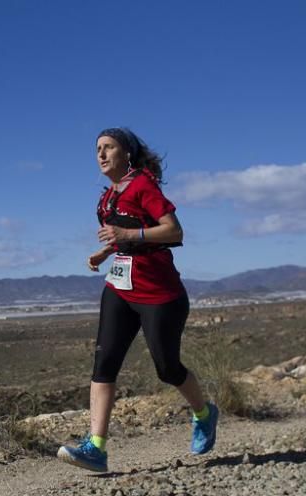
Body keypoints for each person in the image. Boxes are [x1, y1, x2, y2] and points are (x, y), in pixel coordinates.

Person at [57, 127, 218, 473]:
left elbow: (174, 231)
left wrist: (127, 234)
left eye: (109, 147)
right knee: (104, 364)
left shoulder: (144, 186)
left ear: (126, 153)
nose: (101, 154)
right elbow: (122, 237)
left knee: (167, 368)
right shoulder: (106, 198)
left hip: (160, 295)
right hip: (119, 288)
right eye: (97, 148)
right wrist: (105, 252)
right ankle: (96, 448)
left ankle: (204, 413)